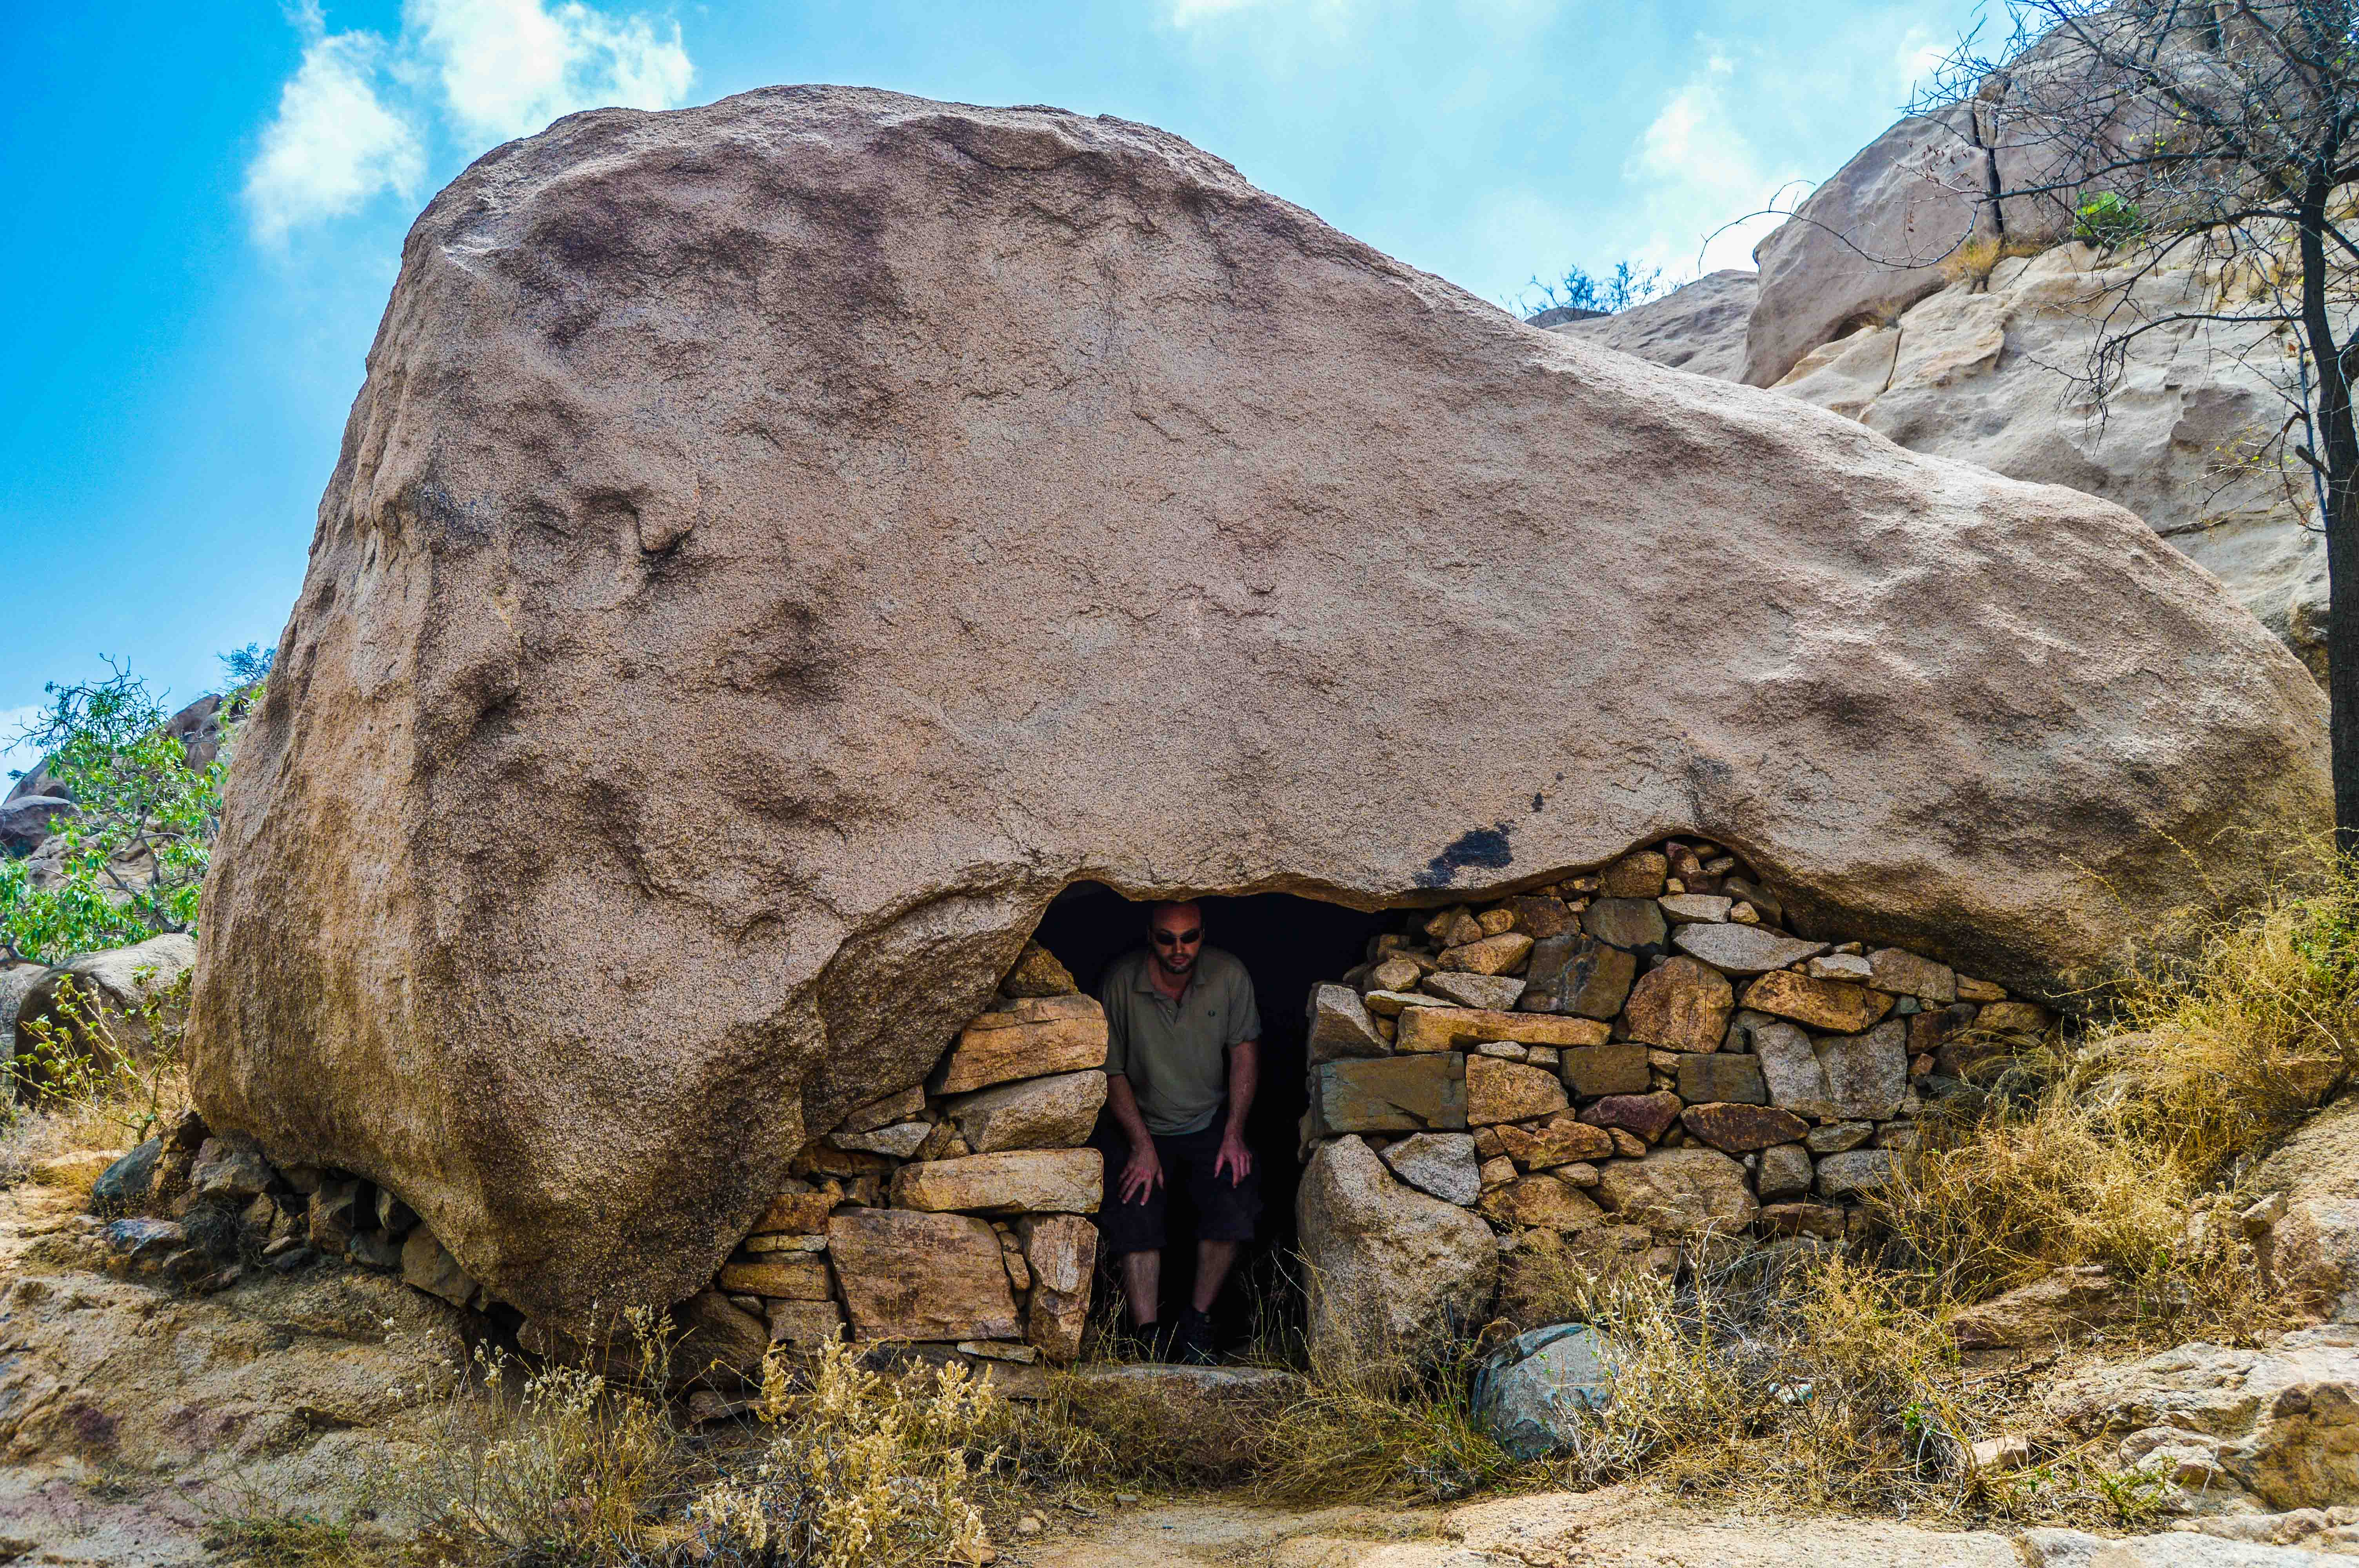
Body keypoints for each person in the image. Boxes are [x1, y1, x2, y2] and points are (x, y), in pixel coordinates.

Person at [1092, 899, 1261, 1363]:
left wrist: (1234, 1133)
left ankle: (1198, 1324)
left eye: (1189, 936)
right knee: (1133, 1204)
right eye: (1167, 937)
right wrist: (1141, 1145)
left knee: (1232, 1193)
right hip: (1140, 1123)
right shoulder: (1121, 983)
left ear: (1204, 934)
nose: (1179, 948)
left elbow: (1244, 1053)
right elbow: (1111, 1072)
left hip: (1209, 1120)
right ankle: (1147, 1334)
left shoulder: (1228, 976)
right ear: (1150, 935)